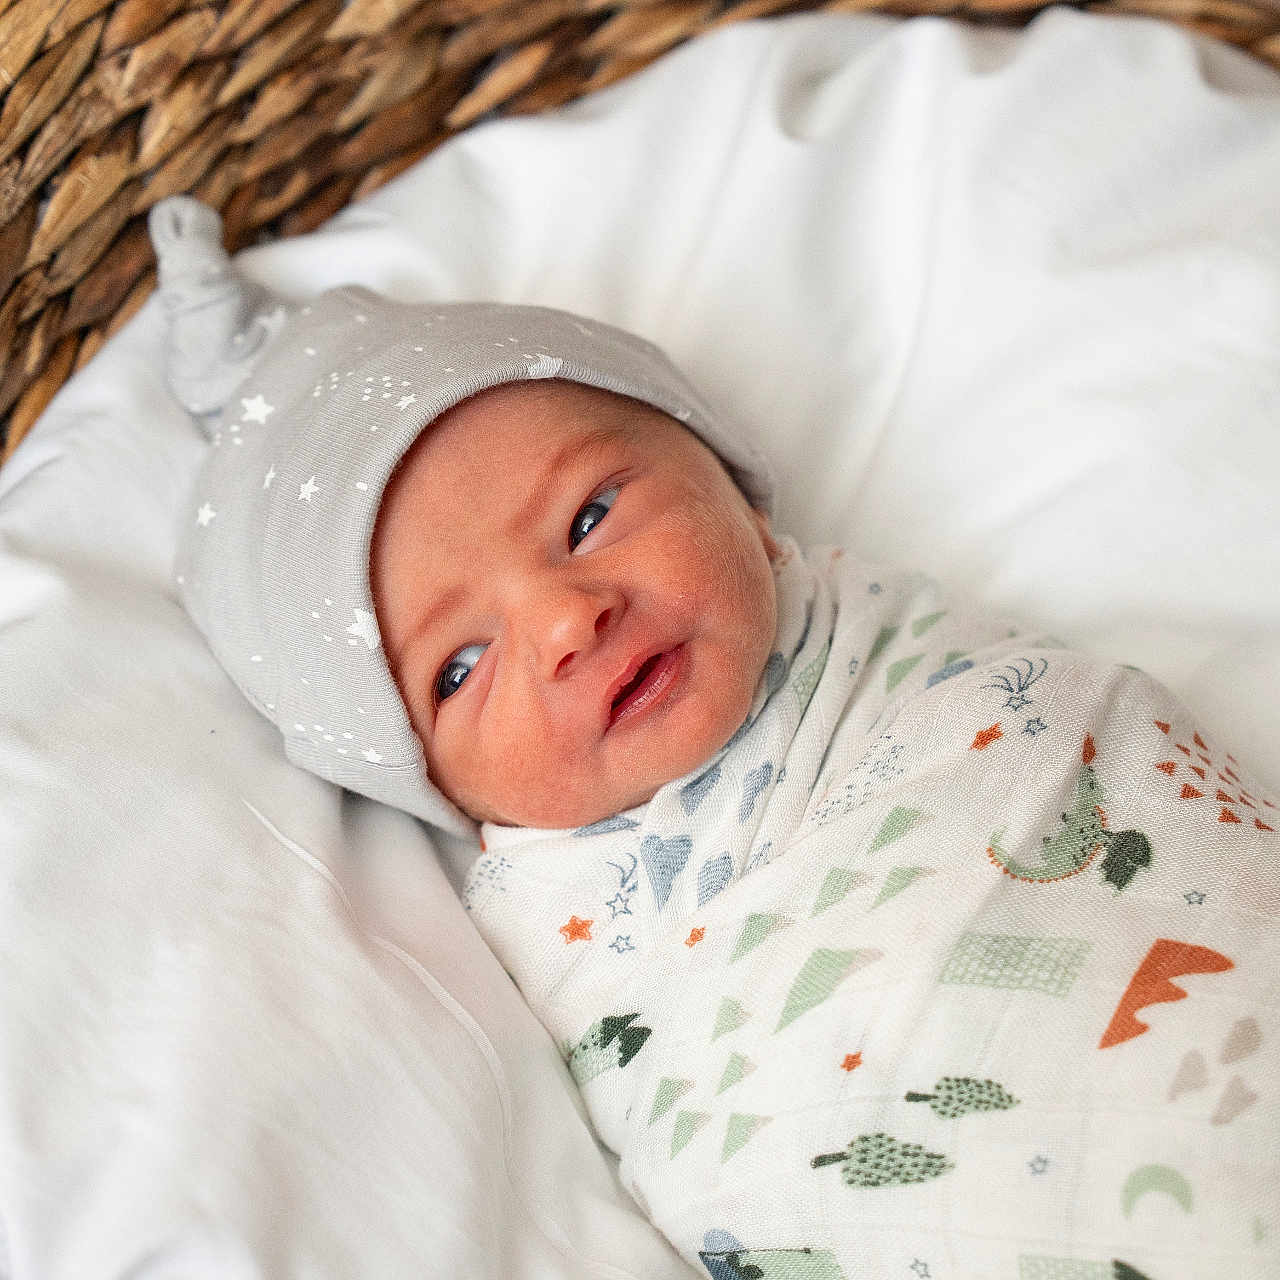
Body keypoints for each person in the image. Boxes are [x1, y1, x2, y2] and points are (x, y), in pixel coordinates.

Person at [151, 197, 1279, 1280]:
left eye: (589, 515)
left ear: (735, 492)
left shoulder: (893, 641)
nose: (561, 620)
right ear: (428, 785)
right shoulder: (561, 927)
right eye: (458, 665)